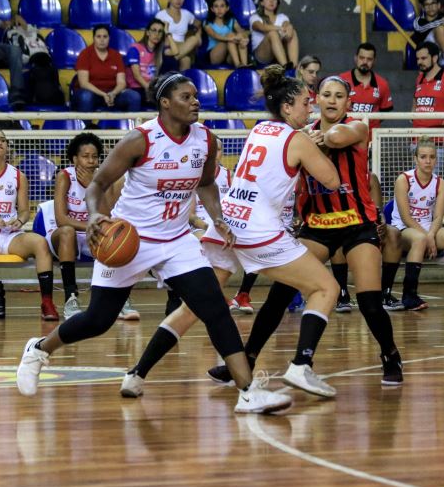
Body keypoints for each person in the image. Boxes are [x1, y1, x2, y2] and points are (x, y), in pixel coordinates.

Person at [16, 72, 294, 415]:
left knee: (215, 309)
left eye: (196, 96)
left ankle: (249, 392)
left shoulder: (204, 139)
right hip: (129, 238)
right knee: (98, 320)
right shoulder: (140, 139)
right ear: (165, 103)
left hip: (177, 239)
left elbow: (207, 183)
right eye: (186, 97)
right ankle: (40, 349)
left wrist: (217, 217)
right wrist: (92, 216)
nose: (196, 102)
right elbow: (98, 184)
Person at [122, 69, 349, 397]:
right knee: (326, 287)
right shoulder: (297, 138)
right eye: (304, 104)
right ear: (286, 108)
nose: (310, 110)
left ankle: (137, 373)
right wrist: (322, 142)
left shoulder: (259, 129)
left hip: (227, 222)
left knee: (193, 308)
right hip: (259, 230)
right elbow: (332, 181)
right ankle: (301, 365)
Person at [204, 73, 404, 391]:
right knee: (278, 297)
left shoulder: (356, 127)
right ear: (316, 99)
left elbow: (337, 138)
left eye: (340, 95)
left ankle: (390, 355)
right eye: (326, 94)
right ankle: (249, 360)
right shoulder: (296, 136)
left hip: (357, 223)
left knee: (369, 301)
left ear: (348, 101)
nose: (333, 100)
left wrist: (313, 138)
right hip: (318, 225)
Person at [0, 125, 58, 322]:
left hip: (10, 234)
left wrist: (20, 220)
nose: (0, 143)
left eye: (3, 140)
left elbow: (24, 210)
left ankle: (47, 303)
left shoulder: (18, 175)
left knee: (40, 242)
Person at [40, 133, 139, 321]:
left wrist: (91, 187)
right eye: (85, 156)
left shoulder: (105, 178)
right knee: (68, 232)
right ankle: (71, 297)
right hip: (64, 236)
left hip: (92, 234)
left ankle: (120, 299)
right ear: (75, 158)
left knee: (115, 239)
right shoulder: (65, 176)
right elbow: (62, 219)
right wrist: (91, 225)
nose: (91, 161)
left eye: (94, 157)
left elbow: (108, 216)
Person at [381, 138, 444, 311]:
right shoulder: (404, 179)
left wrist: (431, 234)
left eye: (432, 157)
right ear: (415, 159)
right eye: (423, 157)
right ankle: (409, 294)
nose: (428, 161)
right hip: (405, 228)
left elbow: (438, 216)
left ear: (436, 159)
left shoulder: (440, 183)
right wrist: (426, 236)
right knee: (419, 239)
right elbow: (405, 216)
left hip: (428, 229)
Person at [74, 24, 142, 113]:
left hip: (112, 94)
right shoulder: (85, 54)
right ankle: (87, 127)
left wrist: (112, 94)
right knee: (86, 97)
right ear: (93, 38)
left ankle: (133, 126)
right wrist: (103, 94)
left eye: (105, 36)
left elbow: (121, 82)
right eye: (98, 36)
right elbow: (84, 83)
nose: (102, 40)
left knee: (134, 96)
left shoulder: (116, 56)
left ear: (109, 38)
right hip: (92, 93)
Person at [411, 42, 444, 133]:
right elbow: (415, 101)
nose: (419, 62)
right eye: (418, 59)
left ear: (435, 58)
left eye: (423, 58)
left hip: (439, 141)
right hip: (416, 140)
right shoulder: (419, 78)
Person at [337, 42, 394, 128]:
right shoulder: (341, 80)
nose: (365, 62)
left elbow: (384, 112)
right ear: (356, 58)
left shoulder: (382, 84)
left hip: (372, 137)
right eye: (362, 58)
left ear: (374, 61)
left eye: (369, 59)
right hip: (346, 135)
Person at [249, 0, 299, 68]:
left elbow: (286, 24)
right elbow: (262, 27)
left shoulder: (282, 17)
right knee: (272, 33)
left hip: (279, 52)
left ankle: (293, 66)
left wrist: (289, 27)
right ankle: (285, 66)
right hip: (262, 55)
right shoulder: (255, 17)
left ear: (277, 2)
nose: (271, 1)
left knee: (293, 31)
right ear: (262, 3)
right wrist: (279, 28)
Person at [156, 0, 202, 70]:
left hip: (182, 46)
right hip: (168, 46)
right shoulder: (160, 15)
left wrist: (199, 35)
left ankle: (174, 59)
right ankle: (172, 58)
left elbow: (198, 23)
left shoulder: (186, 14)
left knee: (192, 44)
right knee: (186, 58)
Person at [126, 19, 166, 104]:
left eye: (160, 31)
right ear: (147, 32)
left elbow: (176, 52)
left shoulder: (159, 52)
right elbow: (136, 75)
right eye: (154, 30)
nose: (157, 34)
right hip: (135, 88)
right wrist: (150, 90)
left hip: (150, 87)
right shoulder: (135, 49)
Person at [204, 0, 249, 68]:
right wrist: (231, 38)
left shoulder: (232, 21)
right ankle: (238, 65)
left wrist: (245, 38)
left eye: (222, 6)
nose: (219, 9)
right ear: (212, 9)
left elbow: (241, 31)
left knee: (240, 36)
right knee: (231, 35)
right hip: (215, 55)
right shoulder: (207, 23)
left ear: (227, 8)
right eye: (216, 6)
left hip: (230, 56)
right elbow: (215, 35)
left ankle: (244, 65)